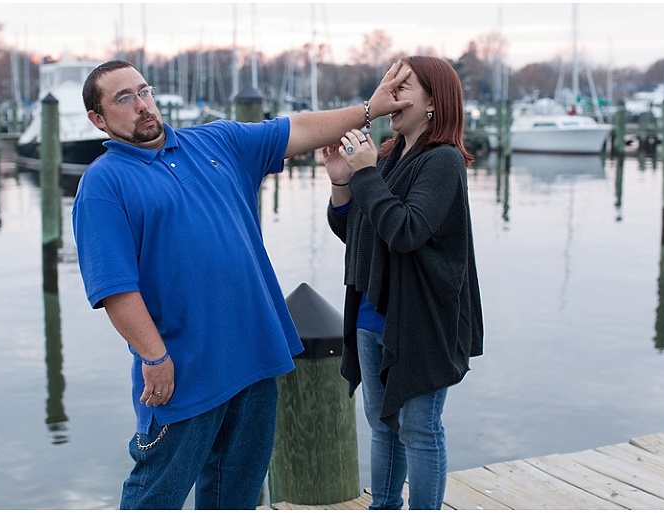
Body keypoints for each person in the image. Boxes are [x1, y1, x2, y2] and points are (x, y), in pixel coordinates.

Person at [71, 59, 413, 510]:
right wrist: (154, 356)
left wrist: (369, 110)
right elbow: (115, 289)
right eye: (124, 98)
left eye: (144, 91)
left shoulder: (217, 141)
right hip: (184, 369)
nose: (142, 105)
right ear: (98, 119)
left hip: (255, 357)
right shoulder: (103, 183)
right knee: (156, 494)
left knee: (236, 495)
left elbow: (298, 129)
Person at [322, 56, 484, 510]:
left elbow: (406, 231)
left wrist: (367, 173)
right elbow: (359, 233)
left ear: (435, 101)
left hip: (422, 320)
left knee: (419, 429)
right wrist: (342, 184)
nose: (391, 97)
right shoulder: (390, 155)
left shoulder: (443, 162)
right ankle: (384, 505)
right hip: (372, 316)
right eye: (390, 85)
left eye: (405, 87)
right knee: (382, 424)